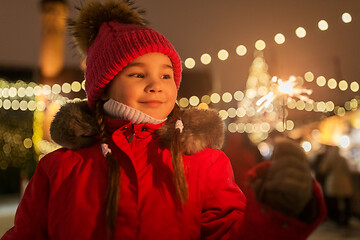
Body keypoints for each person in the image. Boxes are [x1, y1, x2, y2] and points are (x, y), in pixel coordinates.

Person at [1, 1, 326, 239]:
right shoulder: (60, 167)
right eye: (138, 74)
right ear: (104, 87)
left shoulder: (204, 163)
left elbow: (232, 233)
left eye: (167, 75)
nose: (156, 84)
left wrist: (277, 211)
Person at [319, 145, 354, 226]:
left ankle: (337, 218)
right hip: (344, 181)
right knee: (346, 200)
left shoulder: (330, 159)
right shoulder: (343, 159)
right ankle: (346, 219)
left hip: (333, 181)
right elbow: (348, 170)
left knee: (334, 201)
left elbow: (323, 169)